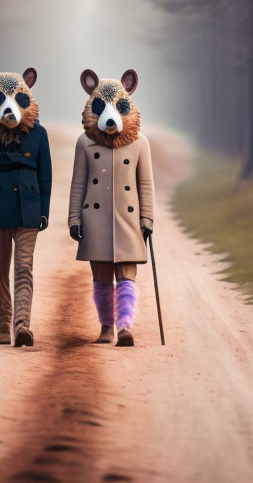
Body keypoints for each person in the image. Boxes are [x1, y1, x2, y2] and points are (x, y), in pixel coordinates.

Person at [68, 69, 155, 346]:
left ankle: (125, 326)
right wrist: (73, 218)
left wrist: (147, 218)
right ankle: (106, 326)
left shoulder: (140, 143)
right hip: (95, 219)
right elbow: (78, 184)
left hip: (128, 221)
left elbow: (146, 185)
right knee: (102, 275)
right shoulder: (84, 142)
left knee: (127, 274)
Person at [0, 67, 51, 347]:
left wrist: (44, 210)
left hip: (29, 207)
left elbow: (45, 174)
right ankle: (4, 324)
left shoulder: (39, 134)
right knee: (0, 271)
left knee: (24, 267)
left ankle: (22, 325)